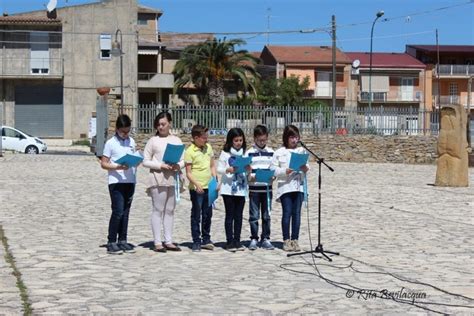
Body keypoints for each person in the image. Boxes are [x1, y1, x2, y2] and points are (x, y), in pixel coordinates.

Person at [143, 112, 184, 253]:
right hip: (158, 178)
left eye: (163, 124)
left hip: (173, 177)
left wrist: (179, 165)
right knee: (158, 209)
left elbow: (183, 159)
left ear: (170, 124)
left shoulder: (177, 140)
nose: (161, 127)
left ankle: (168, 240)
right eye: (159, 125)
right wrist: (160, 165)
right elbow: (145, 161)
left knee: (170, 210)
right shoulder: (153, 141)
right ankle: (157, 241)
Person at [100, 114, 138, 255]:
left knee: (126, 213)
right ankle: (111, 241)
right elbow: (104, 163)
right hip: (116, 182)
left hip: (130, 180)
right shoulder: (110, 143)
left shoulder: (131, 142)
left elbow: (134, 156)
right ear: (117, 129)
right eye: (123, 131)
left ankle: (123, 240)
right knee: (118, 211)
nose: (125, 134)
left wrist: (137, 161)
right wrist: (117, 167)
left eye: (127, 131)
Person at [271, 125, 309, 252]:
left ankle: (295, 239)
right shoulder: (279, 152)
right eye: (292, 137)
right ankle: (286, 240)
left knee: (297, 214)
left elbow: (307, 166)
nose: (294, 140)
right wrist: (284, 171)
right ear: (286, 138)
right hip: (285, 187)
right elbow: (273, 169)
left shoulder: (301, 151)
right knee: (287, 213)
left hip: (298, 186)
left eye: (296, 137)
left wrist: (305, 168)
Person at [184, 125, 217, 252]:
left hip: (209, 186)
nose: (206, 140)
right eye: (204, 138)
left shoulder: (208, 148)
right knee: (196, 214)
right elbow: (188, 172)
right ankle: (196, 240)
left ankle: (206, 238)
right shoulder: (190, 152)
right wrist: (197, 184)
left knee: (208, 214)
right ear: (196, 138)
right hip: (197, 189)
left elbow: (212, 165)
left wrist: (215, 178)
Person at [217, 128, 249, 252]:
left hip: (241, 188)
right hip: (228, 188)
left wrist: (248, 168)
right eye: (236, 140)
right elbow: (219, 168)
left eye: (240, 140)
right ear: (231, 141)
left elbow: (247, 170)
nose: (238, 143)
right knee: (230, 215)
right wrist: (227, 169)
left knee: (239, 216)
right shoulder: (225, 154)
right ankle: (229, 241)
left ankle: (237, 240)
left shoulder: (244, 154)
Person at [246, 125, 275, 250]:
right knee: (254, 215)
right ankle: (253, 238)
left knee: (266, 215)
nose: (262, 142)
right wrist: (251, 176)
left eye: (264, 140)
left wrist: (273, 176)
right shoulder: (249, 153)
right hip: (254, 189)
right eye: (259, 140)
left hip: (267, 189)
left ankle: (266, 238)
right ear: (254, 139)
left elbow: (274, 169)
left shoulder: (272, 152)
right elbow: (246, 170)